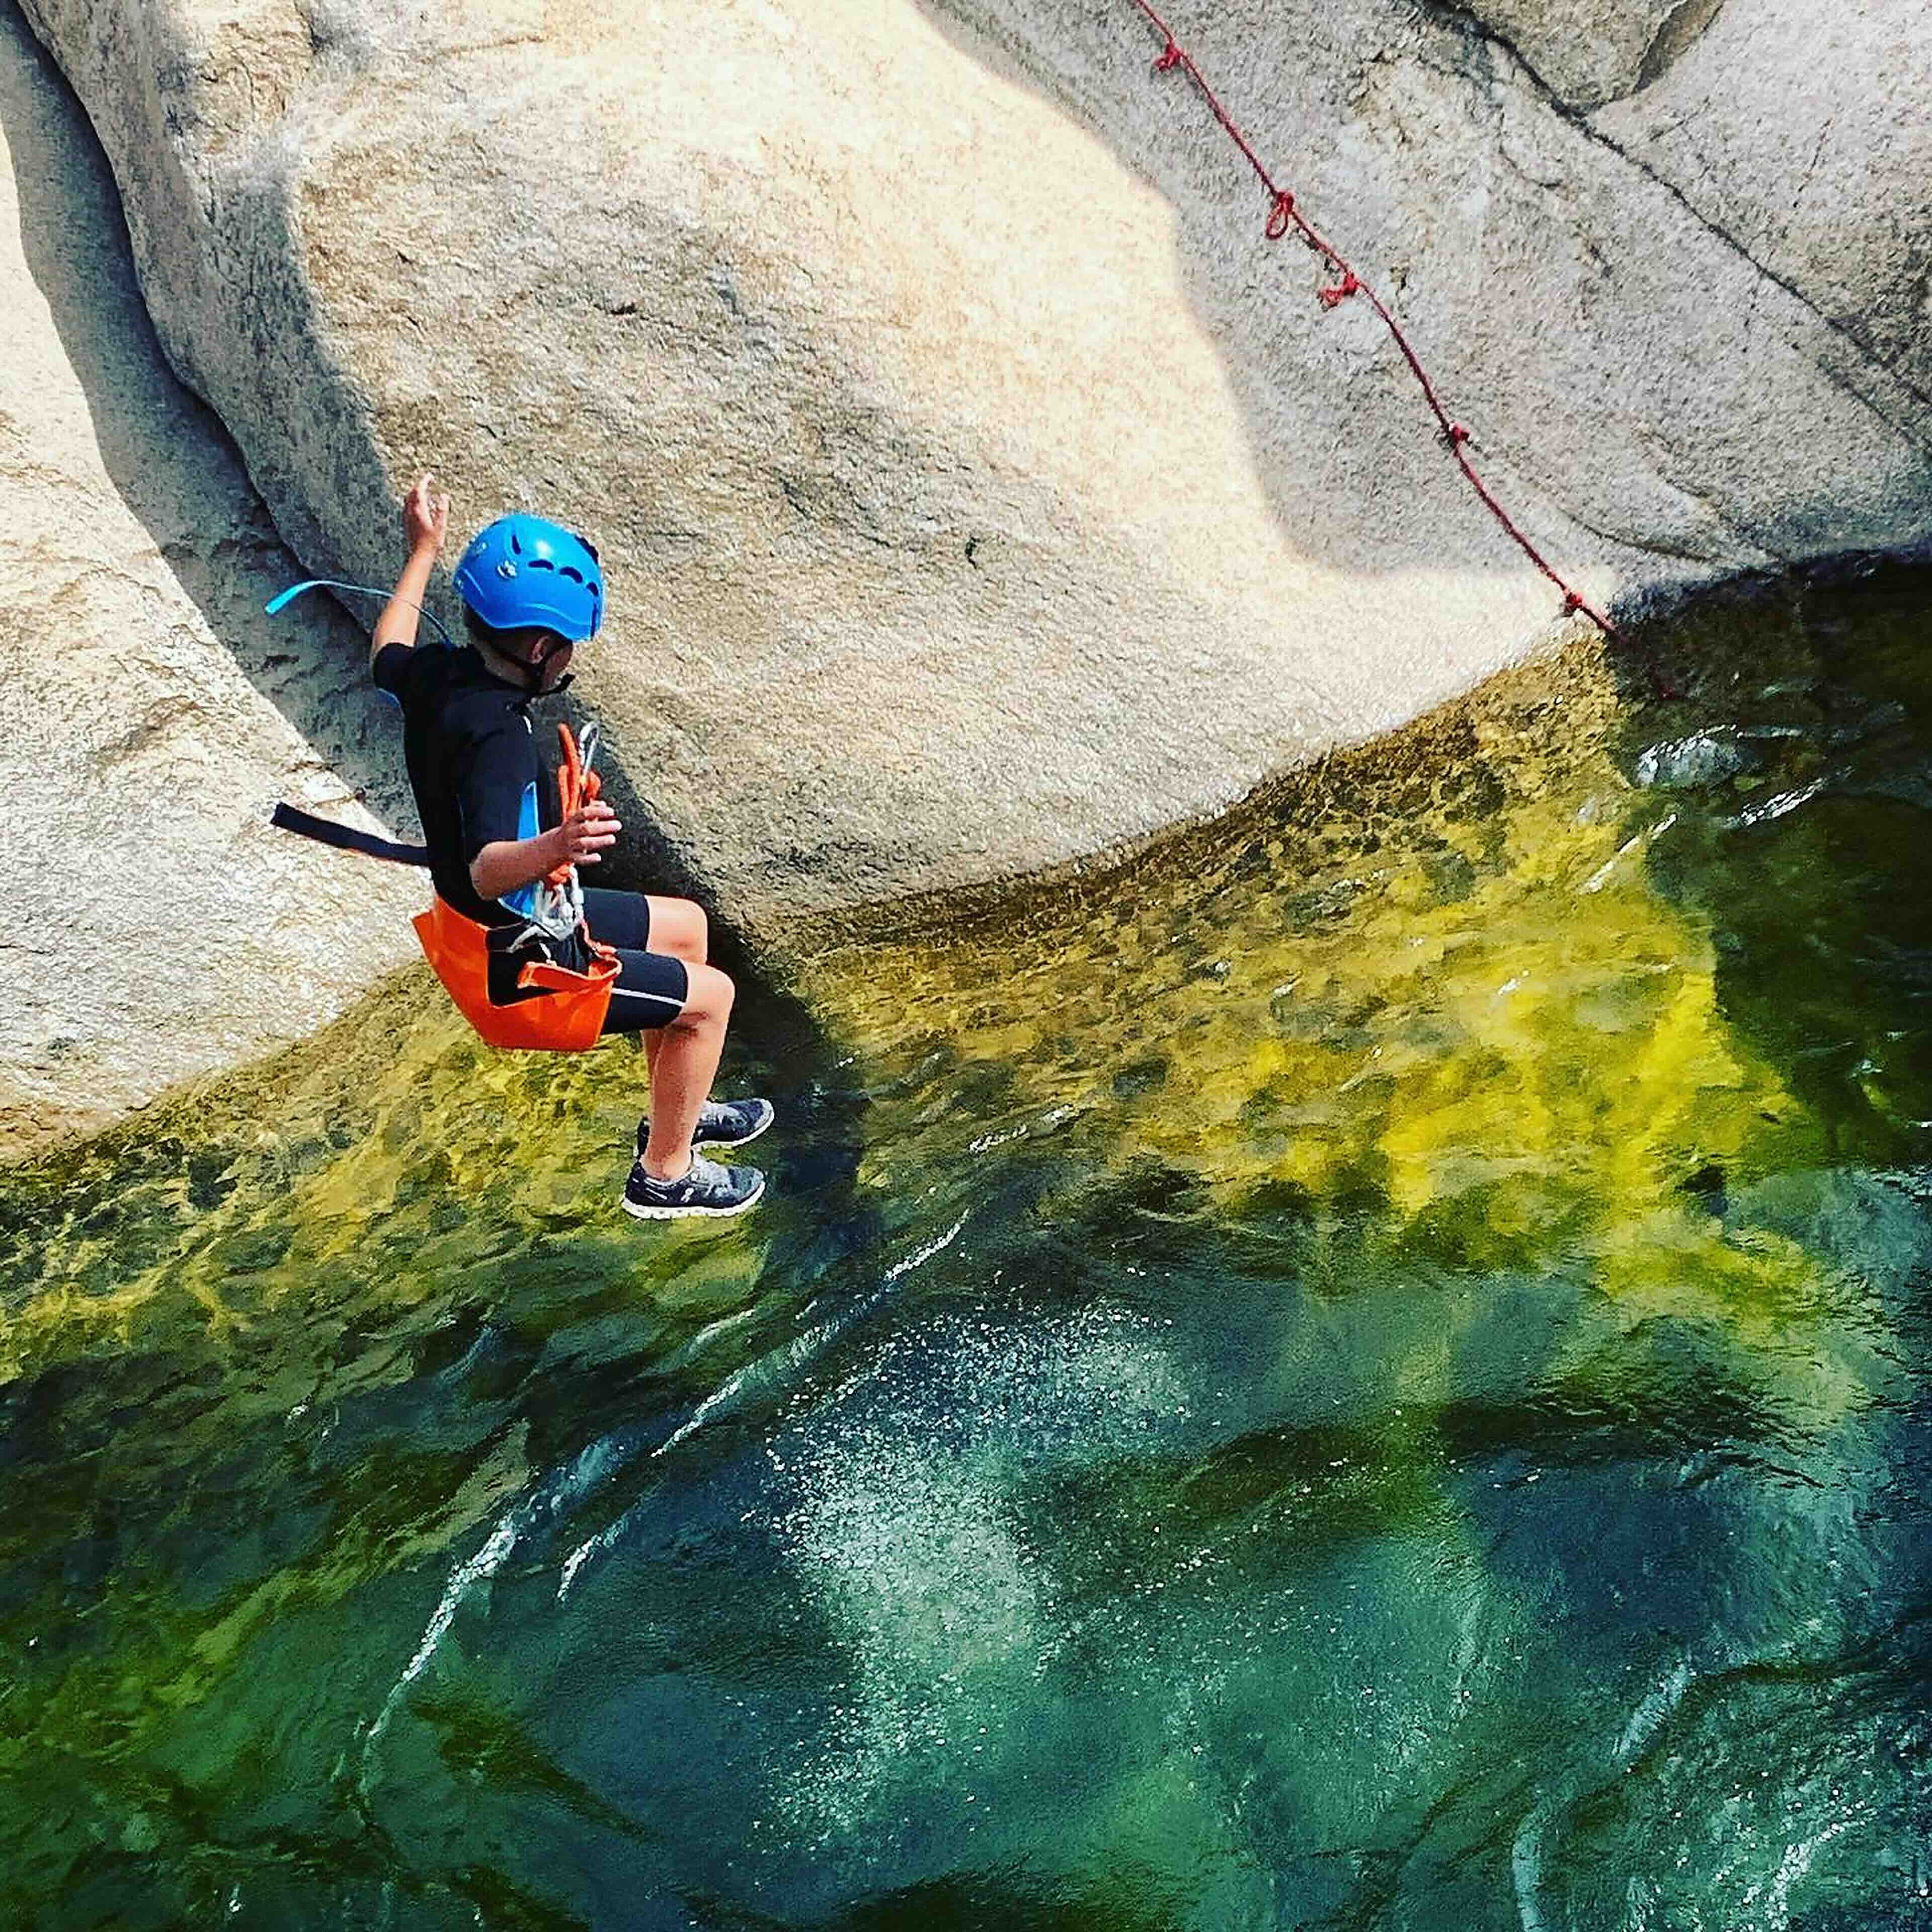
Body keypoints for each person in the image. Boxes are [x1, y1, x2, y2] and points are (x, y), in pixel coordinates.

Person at [369, 472, 770, 1220]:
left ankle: (675, 1106)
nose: (570, 663)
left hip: (483, 935)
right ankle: (665, 1174)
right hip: (514, 968)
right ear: (541, 649)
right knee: (712, 1001)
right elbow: (487, 871)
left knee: (687, 927)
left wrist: (420, 549)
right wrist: (559, 841)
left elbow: (386, 648)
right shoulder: (500, 737)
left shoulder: (441, 674)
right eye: (570, 650)